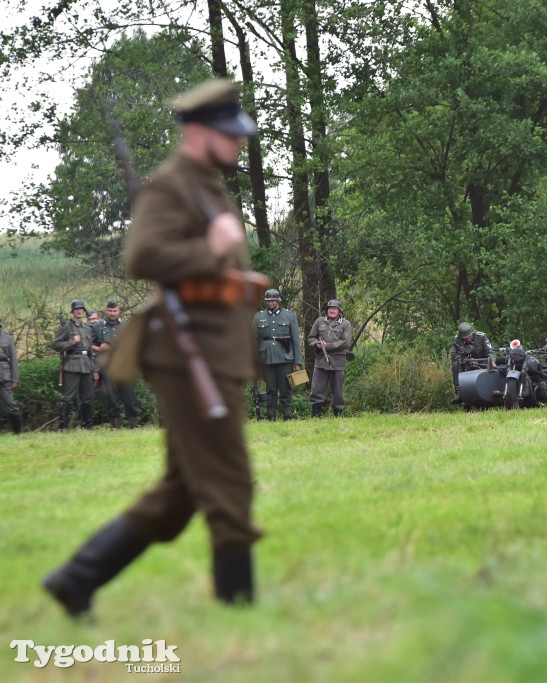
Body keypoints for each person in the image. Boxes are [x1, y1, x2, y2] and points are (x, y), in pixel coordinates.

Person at [43, 79, 262, 619]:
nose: (239, 144)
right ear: (197, 132)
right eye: (228, 134)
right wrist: (209, 248)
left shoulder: (207, 184)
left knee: (181, 491)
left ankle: (76, 579)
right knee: (229, 479)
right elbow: (143, 255)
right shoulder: (171, 186)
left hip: (212, 350)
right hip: (190, 357)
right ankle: (242, 610)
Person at [253, 289, 303, 420]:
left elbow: (296, 340)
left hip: (285, 357)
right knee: (271, 389)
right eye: (269, 300)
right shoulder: (259, 317)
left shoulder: (289, 316)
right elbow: (253, 339)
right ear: (266, 301)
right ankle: (271, 416)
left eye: (273, 300)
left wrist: (297, 361)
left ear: (278, 301)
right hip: (266, 358)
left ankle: (287, 415)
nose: (271, 303)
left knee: (286, 388)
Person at [91, 300, 141, 428]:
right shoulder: (97, 326)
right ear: (105, 311)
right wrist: (98, 348)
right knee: (111, 397)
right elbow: (86, 344)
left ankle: (133, 424)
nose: (112, 313)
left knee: (129, 395)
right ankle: (116, 425)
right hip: (107, 366)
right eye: (110, 311)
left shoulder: (126, 325)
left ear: (119, 311)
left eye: (114, 311)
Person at [51, 299, 98, 430]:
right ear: (72, 311)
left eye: (81, 309)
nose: (79, 311)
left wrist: (94, 369)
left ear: (84, 311)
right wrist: (71, 342)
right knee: (67, 397)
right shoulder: (66, 326)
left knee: (87, 398)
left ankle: (88, 425)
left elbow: (90, 351)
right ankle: (63, 426)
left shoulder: (87, 328)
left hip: (87, 365)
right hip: (72, 364)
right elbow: (55, 345)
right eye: (76, 309)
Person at [307, 299, 353, 416]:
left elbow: (345, 343)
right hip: (321, 361)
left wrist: (328, 346)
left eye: (335, 309)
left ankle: (338, 413)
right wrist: (316, 343)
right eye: (330, 308)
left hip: (338, 362)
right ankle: (316, 414)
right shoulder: (319, 321)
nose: (332, 310)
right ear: (327, 310)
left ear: (339, 312)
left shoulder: (345, 324)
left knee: (337, 390)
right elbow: (311, 337)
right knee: (317, 389)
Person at [449, 322, 495, 404]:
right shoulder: (457, 340)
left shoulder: (481, 336)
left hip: (482, 360)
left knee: (490, 367)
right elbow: (454, 354)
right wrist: (467, 360)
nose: (468, 339)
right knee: (456, 365)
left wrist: (492, 360)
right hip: (467, 362)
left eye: (469, 337)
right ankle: (459, 394)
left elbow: (490, 351)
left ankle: (488, 393)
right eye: (465, 338)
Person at [0, 317, 22, 435]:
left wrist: (15, 378)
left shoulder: (7, 338)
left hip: (4, 374)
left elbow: (13, 359)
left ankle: (18, 431)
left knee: (9, 403)